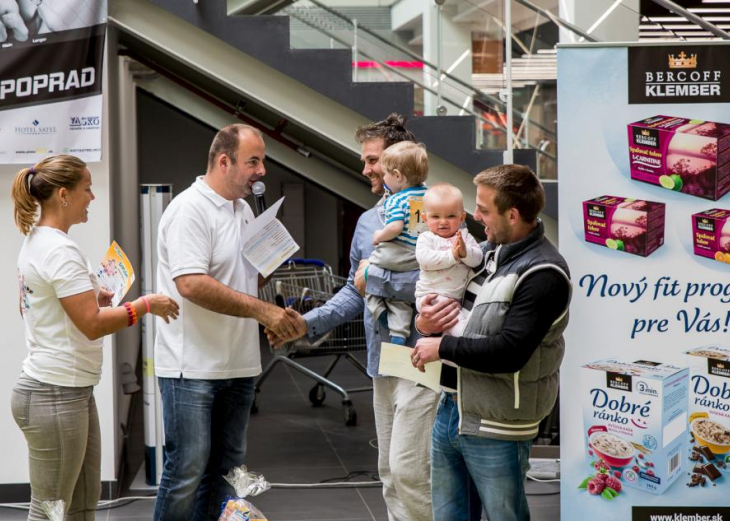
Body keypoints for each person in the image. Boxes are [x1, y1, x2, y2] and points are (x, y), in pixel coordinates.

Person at [266, 114, 440, 521]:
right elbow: (353, 291)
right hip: (382, 361)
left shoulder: (435, 211)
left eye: (373, 160)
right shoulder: (366, 223)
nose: (365, 169)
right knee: (389, 474)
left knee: (411, 470)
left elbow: (436, 281)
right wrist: (305, 324)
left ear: (399, 161)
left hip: (423, 360)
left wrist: (375, 276)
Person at [10, 155, 180, 521]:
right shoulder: (57, 250)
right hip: (53, 394)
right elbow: (92, 325)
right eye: (87, 188)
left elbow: (52, 308)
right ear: (63, 195)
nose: (92, 196)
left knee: (82, 507)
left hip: (70, 392)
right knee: (51, 511)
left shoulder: (42, 242)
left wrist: (95, 298)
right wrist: (144, 305)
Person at [153, 124, 306, 521]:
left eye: (263, 162)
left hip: (237, 363)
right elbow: (191, 284)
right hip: (193, 367)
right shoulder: (190, 210)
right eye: (253, 161)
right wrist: (262, 311)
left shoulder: (241, 210)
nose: (262, 171)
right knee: (186, 470)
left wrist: (268, 267)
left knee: (226, 474)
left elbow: (244, 280)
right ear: (224, 161)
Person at [411, 164, 571, 521]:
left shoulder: (544, 273)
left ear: (512, 215)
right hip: (453, 410)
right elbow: (441, 302)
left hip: (499, 425)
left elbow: (509, 352)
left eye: (483, 209)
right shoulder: (486, 252)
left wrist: (440, 348)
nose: (474, 216)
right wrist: (424, 323)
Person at [366, 141, 428, 345]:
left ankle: (382, 315)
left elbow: (395, 228)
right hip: (420, 257)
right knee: (401, 301)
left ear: (398, 176)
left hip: (398, 256)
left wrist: (378, 236)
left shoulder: (396, 200)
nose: (383, 178)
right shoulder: (429, 196)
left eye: (385, 174)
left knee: (367, 272)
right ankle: (399, 334)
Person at [415, 183, 483, 337]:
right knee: (459, 327)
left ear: (462, 217)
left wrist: (465, 253)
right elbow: (425, 260)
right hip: (431, 296)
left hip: (455, 298)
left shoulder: (464, 237)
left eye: (451, 216)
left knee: (448, 331)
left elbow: (477, 260)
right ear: (425, 218)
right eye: (435, 216)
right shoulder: (426, 238)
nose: (443, 221)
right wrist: (452, 256)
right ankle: (468, 339)